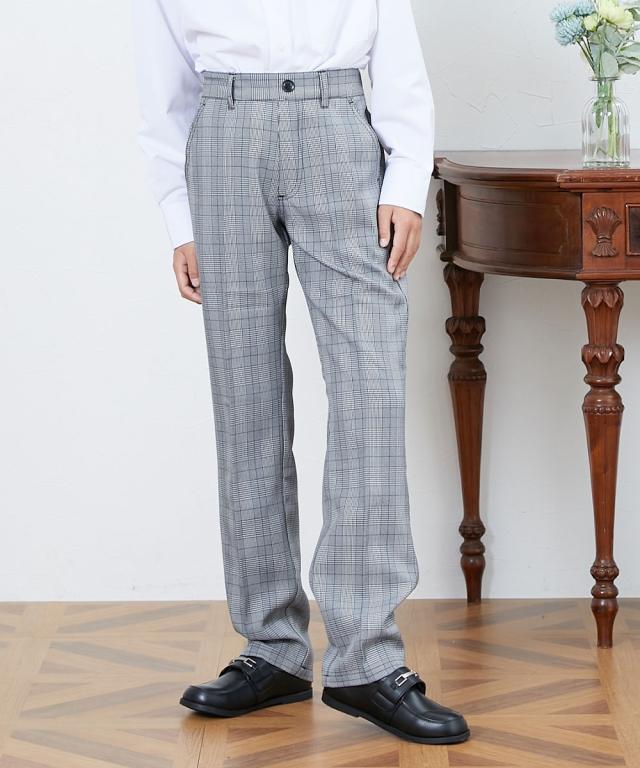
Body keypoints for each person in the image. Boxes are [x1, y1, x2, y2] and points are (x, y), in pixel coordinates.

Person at [131, 0, 470, 745]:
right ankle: (273, 647)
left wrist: (404, 182)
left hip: (337, 125)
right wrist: (179, 218)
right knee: (245, 399)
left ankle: (366, 658)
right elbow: (164, 88)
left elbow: (399, 57)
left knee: (369, 395)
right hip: (221, 141)